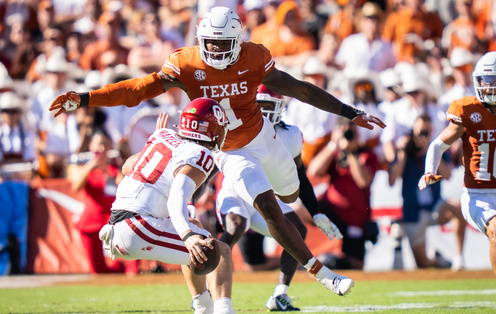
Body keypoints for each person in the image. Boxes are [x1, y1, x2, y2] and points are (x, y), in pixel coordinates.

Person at [50, 6, 386, 298]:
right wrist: (85, 98)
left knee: (290, 194)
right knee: (269, 206)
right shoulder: (185, 62)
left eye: (222, 43)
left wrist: (348, 112)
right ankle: (323, 274)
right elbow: (138, 89)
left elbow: (299, 89)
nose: (214, 49)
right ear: (200, 38)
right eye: (209, 42)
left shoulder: (254, 56)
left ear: (238, 40)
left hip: (264, 137)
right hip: (230, 150)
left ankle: (302, 237)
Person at [99, 98, 258, 314]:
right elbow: (177, 198)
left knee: (195, 230)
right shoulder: (201, 154)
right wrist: (186, 235)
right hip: (137, 226)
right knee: (218, 250)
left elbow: (127, 168)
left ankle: (203, 309)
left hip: (120, 224)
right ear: (212, 129)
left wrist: (150, 148)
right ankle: (223, 313)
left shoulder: (161, 138)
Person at [216, 85, 342, 311]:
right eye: (259, 106)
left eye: (268, 106)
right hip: (236, 191)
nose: (263, 112)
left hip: (265, 199)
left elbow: (301, 177)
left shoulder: (291, 135)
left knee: (298, 230)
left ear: (280, 108)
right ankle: (208, 288)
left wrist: (316, 212)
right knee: (235, 226)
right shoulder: (236, 128)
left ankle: (280, 294)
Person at [419, 51, 496, 274]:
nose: (488, 86)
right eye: (485, 80)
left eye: (493, 80)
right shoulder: (469, 110)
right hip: (478, 196)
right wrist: (429, 170)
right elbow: (436, 145)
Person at [390, 115, 466, 269]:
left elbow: (448, 175)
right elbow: (392, 180)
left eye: (426, 132)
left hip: (434, 206)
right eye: (420, 133)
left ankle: (459, 259)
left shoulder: (437, 149)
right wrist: (402, 153)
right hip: (413, 212)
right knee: (423, 265)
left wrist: (431, 153)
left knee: (458, 208)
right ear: (412, 133)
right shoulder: (405, 152)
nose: (422, 137)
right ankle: (437, 260)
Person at [307, 117, 379, 270]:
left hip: (354, 220)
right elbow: (314, 171)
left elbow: (363, 181)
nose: (349, 134)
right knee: (300, 208)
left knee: (356, 264)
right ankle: (299, 255)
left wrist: (351, 153)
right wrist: (334, 144)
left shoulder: (367, 155)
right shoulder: (335, 153)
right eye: (346, 131)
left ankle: (334, 262)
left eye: (352, 130)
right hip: (332, 212)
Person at [67, 129, 135, 274]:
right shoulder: (85, 168)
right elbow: (76, 186)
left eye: (105, 145)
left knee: (131, 265)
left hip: (113, 221)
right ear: (91, 147)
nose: (101, 149)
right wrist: (90, 166)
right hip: (92, 222)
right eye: (98, 145)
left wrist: (119, 163)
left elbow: (126, 187)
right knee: (98, 269)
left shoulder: (114, 169)